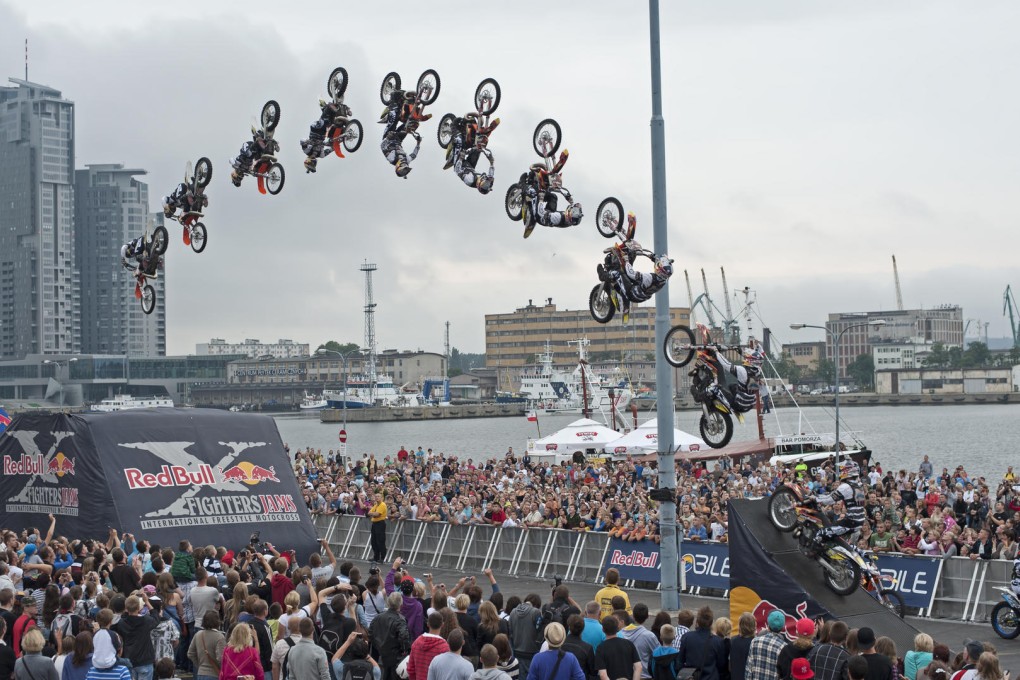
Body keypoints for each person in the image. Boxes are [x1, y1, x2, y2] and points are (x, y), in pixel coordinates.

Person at [813, 461, 867, 552]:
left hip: (850, 521)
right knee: (835, 536)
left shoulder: (846, 486)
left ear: (847, 471)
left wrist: (815, 498)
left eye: (843, 469)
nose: (841, 471)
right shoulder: (859, 485)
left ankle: (813, 553)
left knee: (820, 533)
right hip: (859, 520)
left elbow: (829, 500)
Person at [522, 151, 583, 232]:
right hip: (548, 215)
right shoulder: (570, 220)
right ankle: (532, 201)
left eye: (573, 211)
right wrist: (569, 199)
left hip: (540, 216)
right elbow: (574, 211)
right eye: (574, 210)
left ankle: (522, 185)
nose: (573, 210)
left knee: (533, 192)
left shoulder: (558, 217)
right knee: (553, 197)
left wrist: (541, 198)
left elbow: (541, 212)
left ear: (570, 216)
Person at [445, 115, 497, 194]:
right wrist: (491, 162)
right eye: (487, 184)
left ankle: (453, 126)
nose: (486, 182)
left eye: (484, 184)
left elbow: (457, 171)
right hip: (470, 166)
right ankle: (477, 138)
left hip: (459, 165)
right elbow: (491, 174)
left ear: (479, 186)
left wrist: (460, 159)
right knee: (477, 149)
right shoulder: (488, 181)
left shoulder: (470, 180)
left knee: (459, 140)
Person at [113, 595, 158, 680]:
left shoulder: (121, 623)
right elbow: (156, 618)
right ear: (139, 608)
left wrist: (126, 610)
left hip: (129, 660)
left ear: (126, 608)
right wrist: (147, 602)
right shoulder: (146, 621)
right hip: (145, 660)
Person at [378, 92, 423, 178]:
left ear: (398, 167)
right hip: (398, 139)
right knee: (410, 124)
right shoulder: (407, 160)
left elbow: (382, 146)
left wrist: (388, 138)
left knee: (394, 117)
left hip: (389, 136)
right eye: (406, 166)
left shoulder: (392, 159)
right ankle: (409, 104)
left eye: (403, 166)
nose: (405, 164)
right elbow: (414, 155)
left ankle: (393, 100)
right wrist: (418, 143)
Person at [301, 98, 352, 173]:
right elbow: (331, 149)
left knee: (324, 123)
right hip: (324, 134)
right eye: (314, 165)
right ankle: (346, 130)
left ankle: (328, 107)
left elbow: (302, 141)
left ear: (307, 161)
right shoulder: (321, 155)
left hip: (315, 130)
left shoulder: (307, 151)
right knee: (333, 130)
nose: (314, 163)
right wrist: (337, 141)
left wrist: (310, 142)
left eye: (312, 164)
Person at [676, 606, 726, 680]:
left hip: (691, 676)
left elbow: (680, 661)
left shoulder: (686, 637)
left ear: (697, 621)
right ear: (711, 623)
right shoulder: (718, 641)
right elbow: (721, 665)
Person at [368, 593, 409, 680]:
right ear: (401, 604)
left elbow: (370, 633)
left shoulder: (378, 617)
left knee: (385, 674)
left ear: (388, 603)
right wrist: (404, 650)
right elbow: (404, 636)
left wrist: (378, 645)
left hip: (382, 653)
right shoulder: (400, 620)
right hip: (396, 655)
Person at [595, 616, 641, 680]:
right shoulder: (629, 644)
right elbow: (638, 667)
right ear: (618, 627)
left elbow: (603, 675)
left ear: (602, 629)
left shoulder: (600, 648)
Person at [745, 611, 788, 680]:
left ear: (768, 624)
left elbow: (749, 669)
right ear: (782, 627)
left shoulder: (755, 641)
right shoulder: (784, 647)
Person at [508, 595, 543, 676]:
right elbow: (540, 632)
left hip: (516, 654)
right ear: (536, 605)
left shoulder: (513, 612)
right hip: (531, 654)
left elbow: (510, 634)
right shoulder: (536, 612)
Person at [407, 612, 448, 680]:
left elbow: (411, 669)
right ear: (442, 624)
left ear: (428, 624)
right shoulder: (444, 647)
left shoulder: (416, 643)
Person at [188, 612, 226, 680]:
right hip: (214, 674)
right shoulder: (220, 637)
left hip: (200, 673)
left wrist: (200, 665)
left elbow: (190, 653)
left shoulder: (198, 634)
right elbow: (221, 658)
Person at [562, 615, 597, 680]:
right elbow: (593, 672)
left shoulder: (560, 644)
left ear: (569, 627)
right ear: (583, 628)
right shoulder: (588, 648)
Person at [729, 613, 756, 680]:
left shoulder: (732, 641)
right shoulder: (756, 643)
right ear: (754, 625)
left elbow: (729, 665)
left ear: (740, 625)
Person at [368, 494, 388, 563]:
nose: (377, 497)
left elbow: (377, 514)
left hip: (380, 523)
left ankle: (383, 557)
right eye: (376, 496)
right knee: (374, 541)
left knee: (380, 541)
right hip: (374, 524)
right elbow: (369, 512)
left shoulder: (382, 505)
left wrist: (373, 514)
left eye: (378, 496)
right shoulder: (376, 505)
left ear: (382, 498)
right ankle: (376, 557)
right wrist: (373, 514)